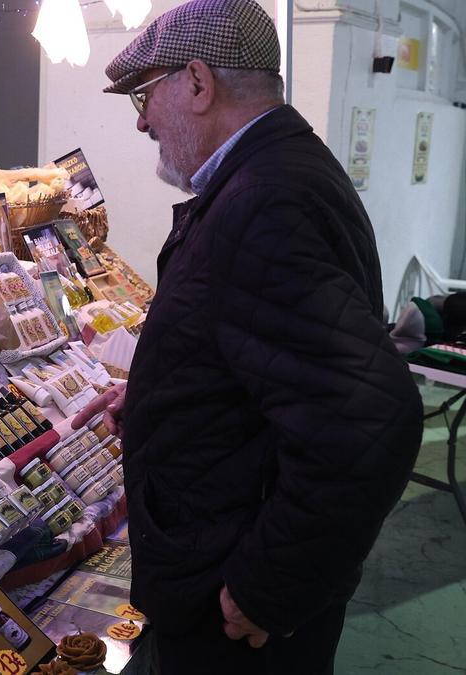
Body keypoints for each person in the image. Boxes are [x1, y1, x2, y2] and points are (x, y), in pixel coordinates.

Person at [71, 1, 423, 672]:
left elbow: (369, 420)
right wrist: (161, 399)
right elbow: (268, 362)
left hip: (229, 612)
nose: (142, 120)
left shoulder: (264, 201)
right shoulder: (283, 169)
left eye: (145, 98)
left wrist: (266, 589)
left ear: (198, 84)